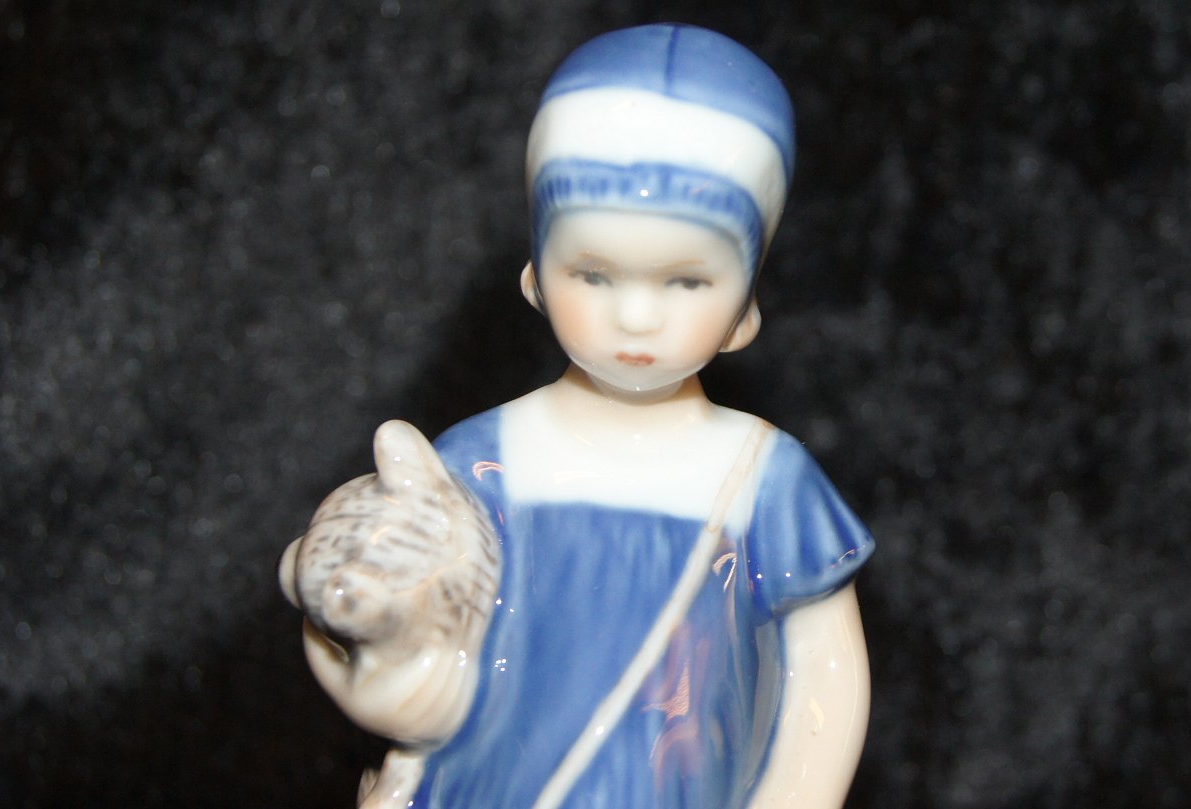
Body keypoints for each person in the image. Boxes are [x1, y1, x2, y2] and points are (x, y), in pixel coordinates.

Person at [291, 24, 873, 809]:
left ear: (745, 304)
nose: (636, 316)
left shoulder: (768, 482)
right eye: (593, 273)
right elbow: (419, 673)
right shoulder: (482, 463)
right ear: (536, 275)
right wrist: (380, 657)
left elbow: (825, 677)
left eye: (687, 282)